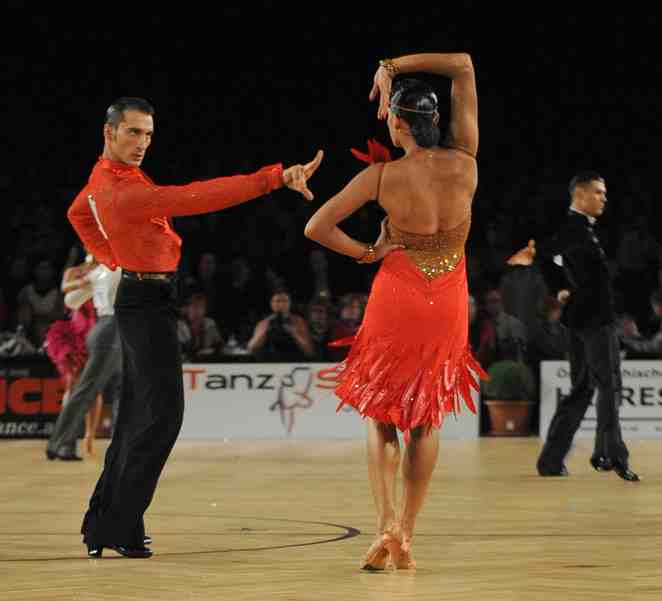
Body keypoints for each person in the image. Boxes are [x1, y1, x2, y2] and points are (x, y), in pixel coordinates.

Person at [67, 96, 323, 559]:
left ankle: (106, 522)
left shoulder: (105, 178)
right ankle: (118, 525)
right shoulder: (123, 190)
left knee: (136, 416)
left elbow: (78, 213)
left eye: (148, 133)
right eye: (132, 133)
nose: (143, 142)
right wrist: (274, 178)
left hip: (146, 296)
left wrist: (111, 257)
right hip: (144, 301)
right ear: (109, 134)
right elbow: (199, 196)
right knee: (163, 415)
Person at [305, 53, 485, 570]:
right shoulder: (466, 161)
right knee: (426, 419)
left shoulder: (381, 178)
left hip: (397, 294)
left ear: (399, 123)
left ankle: (384, 525)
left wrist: (369, 252)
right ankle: (406, 532)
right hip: (447, 298)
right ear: (437, 121)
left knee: (381, 416)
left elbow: (316, 226)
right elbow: (463, 66)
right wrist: (393, 66)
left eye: (390, 116)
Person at [508, 172, 639, 482]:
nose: (604, 198)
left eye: (604, 192)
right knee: (609, 387)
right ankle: (610, 455)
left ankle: (551, 461)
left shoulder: (581, 230)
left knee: (582, 389)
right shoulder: (577, 229)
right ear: (579, 196)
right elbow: (548, 252)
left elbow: (548, 255)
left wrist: (560, 288)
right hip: (595, 321)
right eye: (597, 192)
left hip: (579, 320)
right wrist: (554, 279)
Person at [46, 257, 123, 461]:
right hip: (111, 328)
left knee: (121, 389)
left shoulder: (102, 271)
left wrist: (93, 284)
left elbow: (71, 300)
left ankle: (120, 445)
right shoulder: (117, 269)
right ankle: (59, 442)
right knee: (87, 388)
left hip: (107, 330)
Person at [44, 254, 98, 460]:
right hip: (75, 334)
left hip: (97, 332)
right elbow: (66, 288)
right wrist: (88, 280)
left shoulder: (109, 270)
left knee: (93, 389)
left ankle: (87, 437)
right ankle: (65, 442)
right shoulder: (74, 272)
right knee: (73, 386)